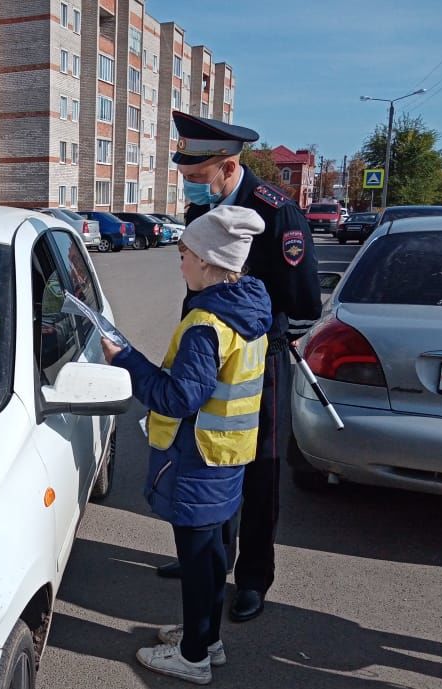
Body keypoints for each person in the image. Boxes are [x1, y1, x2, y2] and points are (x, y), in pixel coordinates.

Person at [156, 110, 322, 624]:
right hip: (206, 354)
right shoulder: (199, 215)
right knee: (208, 457)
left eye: (198, 178)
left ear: (228, 167)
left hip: (258, 361)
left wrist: (250, 332)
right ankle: (209, 561)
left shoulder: (276, 213)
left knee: (257, 470)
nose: (192, 189)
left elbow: (302, 302)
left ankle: (252, 578)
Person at [103, 206, 271, 684]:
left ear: (205, 261)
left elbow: (178, 398)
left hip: (196, 457)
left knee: (199, 559)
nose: (179, 264)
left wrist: (128, 360)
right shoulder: (249, 306)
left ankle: (193, 656)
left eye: (183, 256)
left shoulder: (206, 323)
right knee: (215, 553)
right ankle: (206, 638)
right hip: (228, 452)